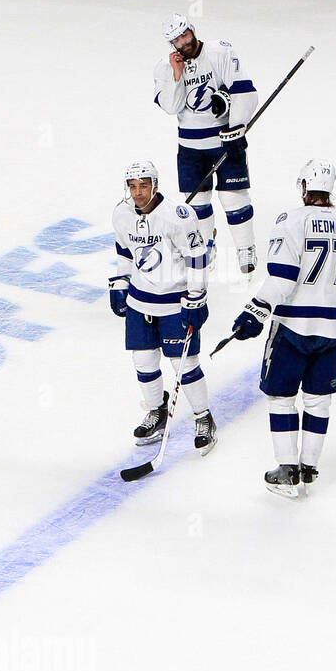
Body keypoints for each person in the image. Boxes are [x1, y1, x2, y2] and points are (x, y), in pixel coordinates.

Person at [229, 159, 336, 499]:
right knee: (319, 401)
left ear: (304, 187)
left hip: (293, 324)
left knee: (281, 396)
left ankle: (287, 469)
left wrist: (254, 310)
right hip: (334, 326)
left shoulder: (292, 219)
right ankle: (309, 466)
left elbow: (282, 275)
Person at [110, 160, 217, 454]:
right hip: (139, 302)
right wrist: (119, 284)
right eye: (133, 186)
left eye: (143, 185)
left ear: (155, 185)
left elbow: (197, 257)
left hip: (174, 303)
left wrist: (197, 297)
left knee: (185, 366)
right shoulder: (121, 214)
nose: (138, 192)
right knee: (143, 364)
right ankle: (157, 412)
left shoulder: (179, 216)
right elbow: (124, 254)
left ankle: (203, 417)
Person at [154, 13, 260, 274]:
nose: (184, 42)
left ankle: (246, 249)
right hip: (189, 148)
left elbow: (244, 90)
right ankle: (204, 246)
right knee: (197, 203)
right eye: (177, 40)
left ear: (192, 29)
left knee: (233, 198)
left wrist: (236, 128)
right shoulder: (165, 68)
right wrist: (178, 76)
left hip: (223, 140)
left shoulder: (220, 52)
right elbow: (171, 106)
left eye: (185, 35)